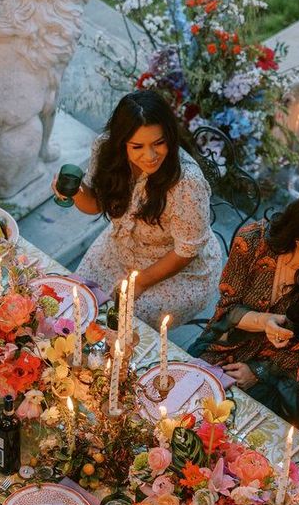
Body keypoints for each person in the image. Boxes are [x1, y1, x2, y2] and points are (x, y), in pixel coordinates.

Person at [189, 191, 299, 437]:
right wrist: (264, 321)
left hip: (289, 373)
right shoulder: (253, 241)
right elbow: (228, 308)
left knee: (249, 436)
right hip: (232, 341)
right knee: (190, 404)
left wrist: (258, 372)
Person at [67, 90, 223, 329]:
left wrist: (139, 283)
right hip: (121, 249)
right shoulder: (106, 150)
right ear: (121, 143)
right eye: (137, 146)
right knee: (76, 299)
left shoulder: (187, 182)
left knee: (119, 327)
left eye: (159, 143)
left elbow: (186, 251)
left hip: (177, 269)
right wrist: (75, 190)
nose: (150, 156)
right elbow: (96, 204)